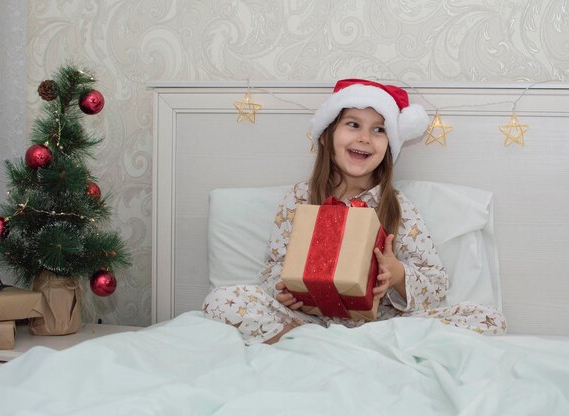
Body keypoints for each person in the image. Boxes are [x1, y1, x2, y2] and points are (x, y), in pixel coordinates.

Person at [203, 78, 506, 345]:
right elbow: (273, 269)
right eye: (353, 124)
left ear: (388, 147)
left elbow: (436, 283)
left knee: (487, 319)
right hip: (311, 324)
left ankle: (349, 348)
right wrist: (283, 289)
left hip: (381, 326)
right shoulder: (298, 199)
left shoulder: (397, 206)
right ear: (326, 135)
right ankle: (321, 347)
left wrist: (396, 273)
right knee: (222, 300)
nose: (365, 137)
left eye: (378, 129)